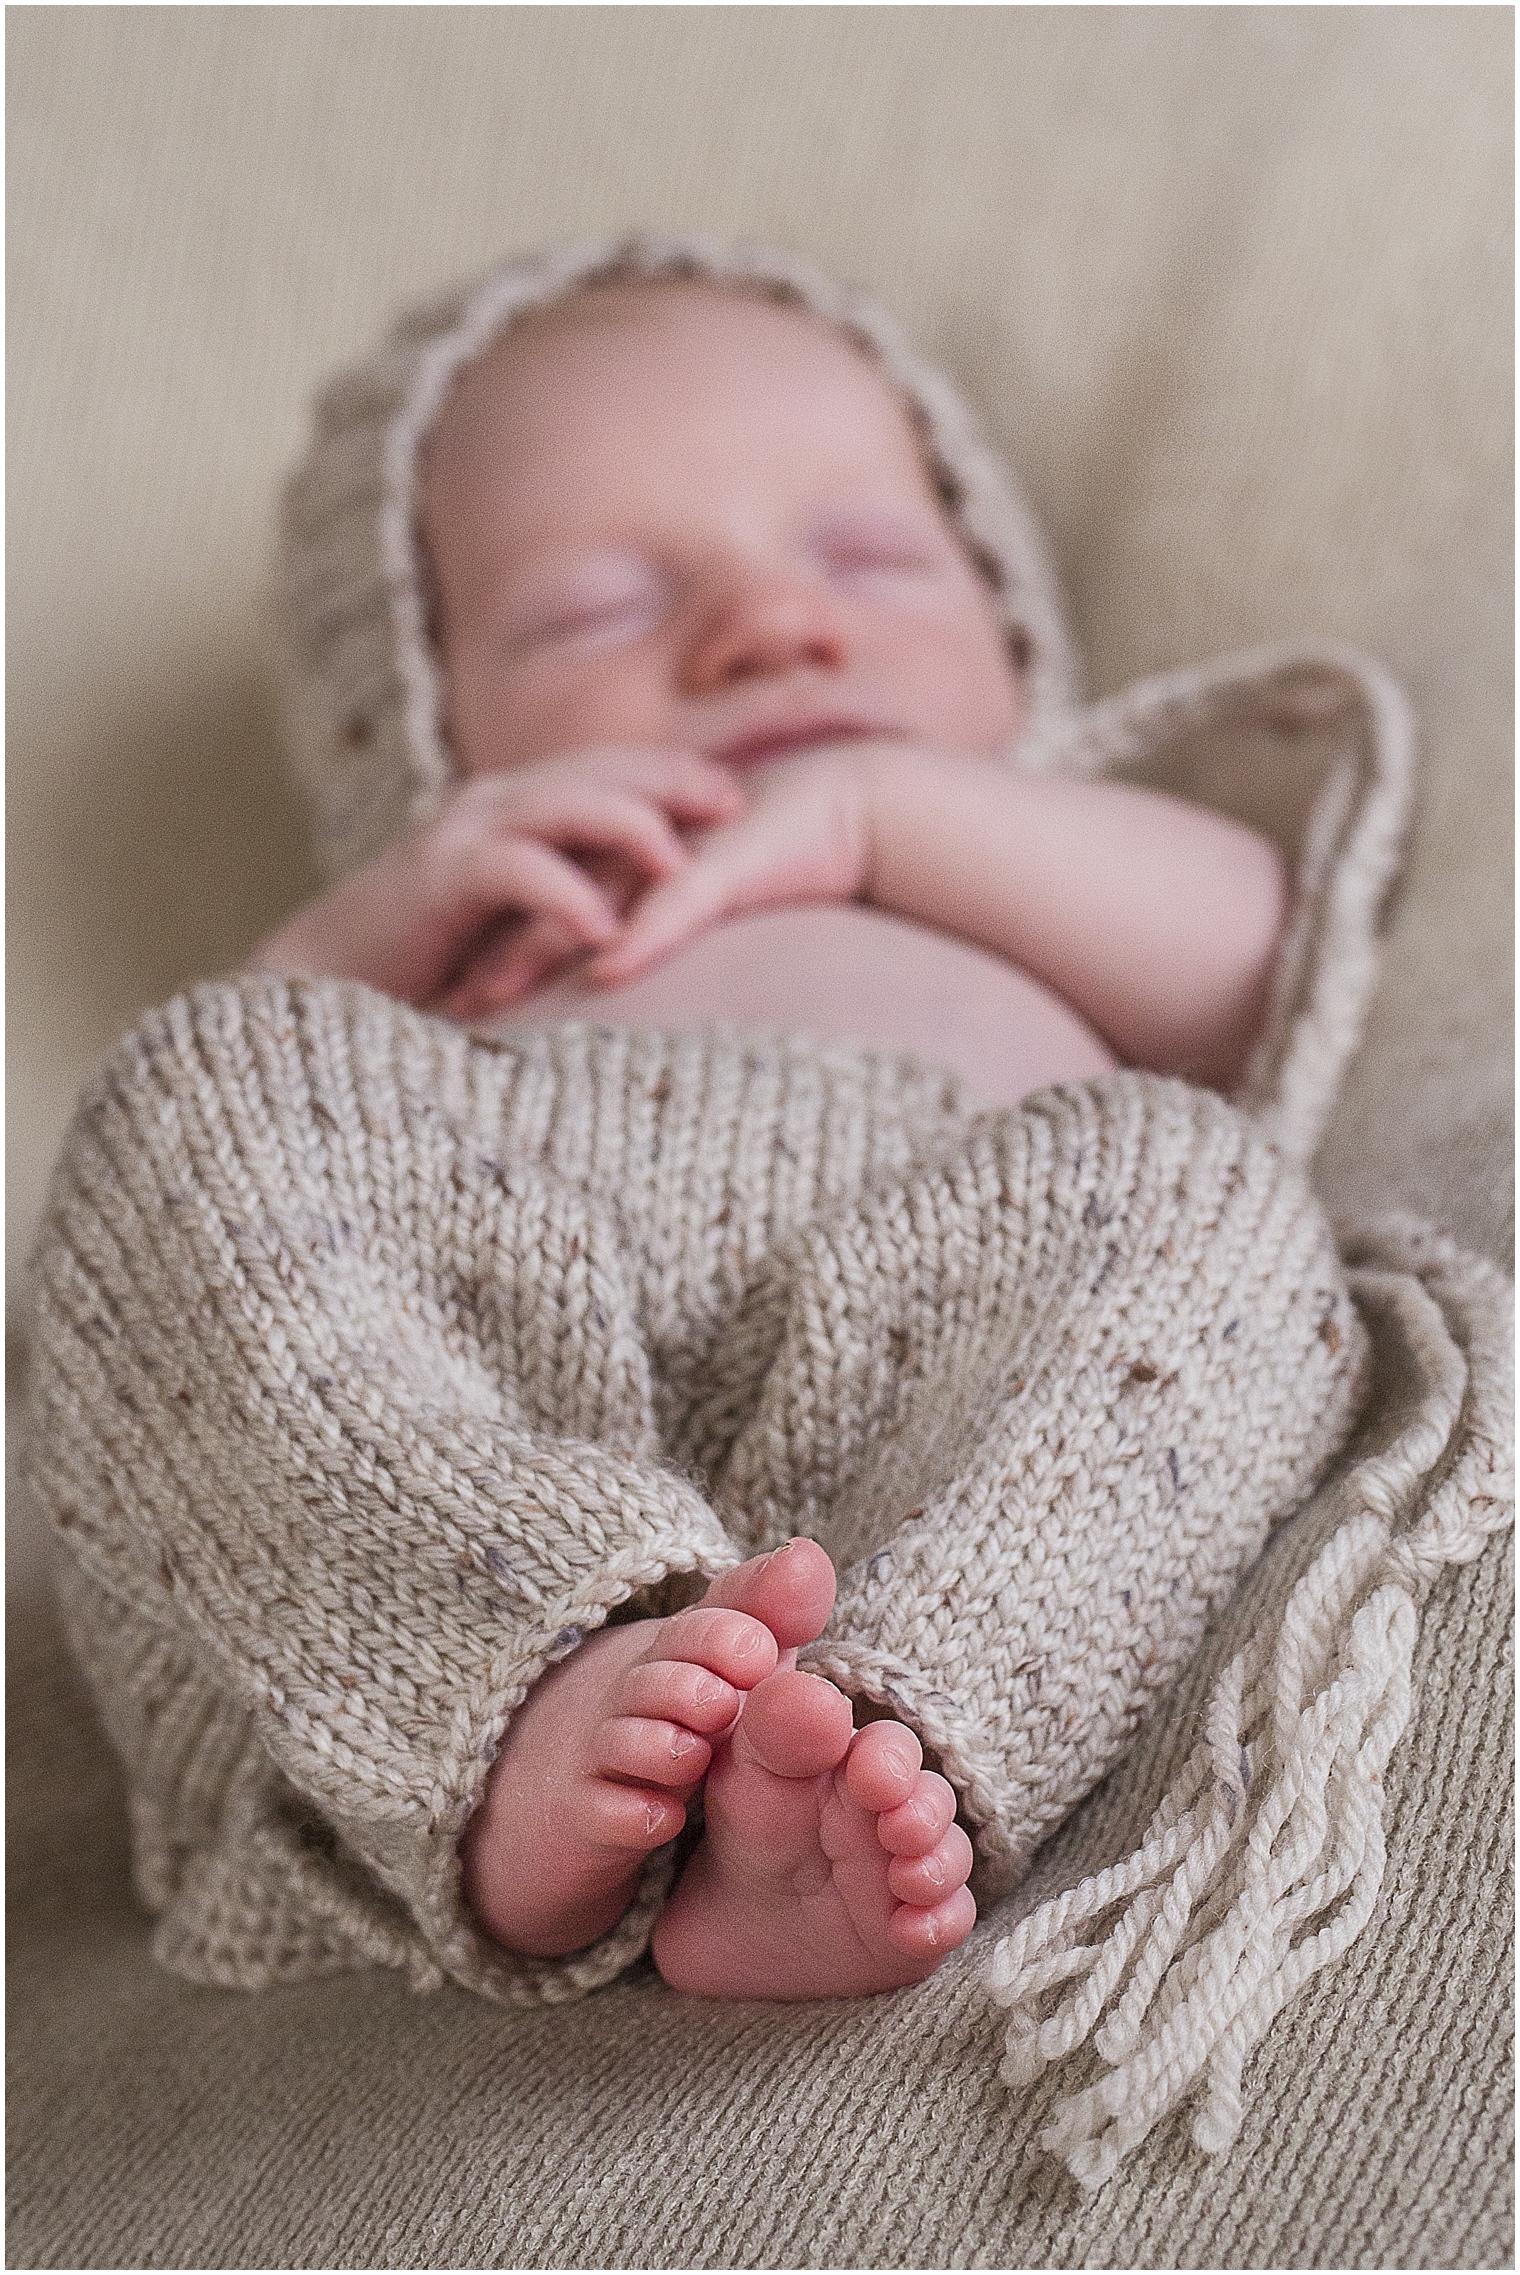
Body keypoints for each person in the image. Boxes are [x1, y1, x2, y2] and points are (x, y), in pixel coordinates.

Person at [249, 266, 1286, 1999]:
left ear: (1014, 636)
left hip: (934, 1410)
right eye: (588, 610)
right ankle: (507, 1713)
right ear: (428, 734)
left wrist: (884, 816)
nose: (771, 628)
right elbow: (222, 1262)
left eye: (870, 563)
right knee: (208, 1091)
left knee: (1220, 1192)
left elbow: (1256, 959)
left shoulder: (1020, 849)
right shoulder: (471, 958)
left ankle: (864, 1747)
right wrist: (360, 937)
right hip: (507, 1428)